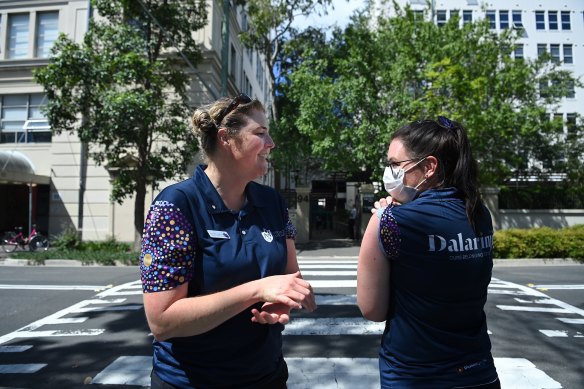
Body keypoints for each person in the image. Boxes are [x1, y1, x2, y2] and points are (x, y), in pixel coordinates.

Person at [139, 93, 316, 389]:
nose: (271, 143)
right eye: (260, 133)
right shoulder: (175, 205)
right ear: (226, 138)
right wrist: (258, 289)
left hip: (267, 375)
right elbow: (162, 322)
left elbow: (289, 276)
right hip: (191, 382)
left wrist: (284, 302)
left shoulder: (272, 201)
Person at [357, 117, 500, 388]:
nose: (390, 172)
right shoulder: (480, 214)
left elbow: (372, 309)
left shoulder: (389, 220)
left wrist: (387, 213)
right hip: (479, 372)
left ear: (429, 167)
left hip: (414, 375)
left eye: (395, 164)